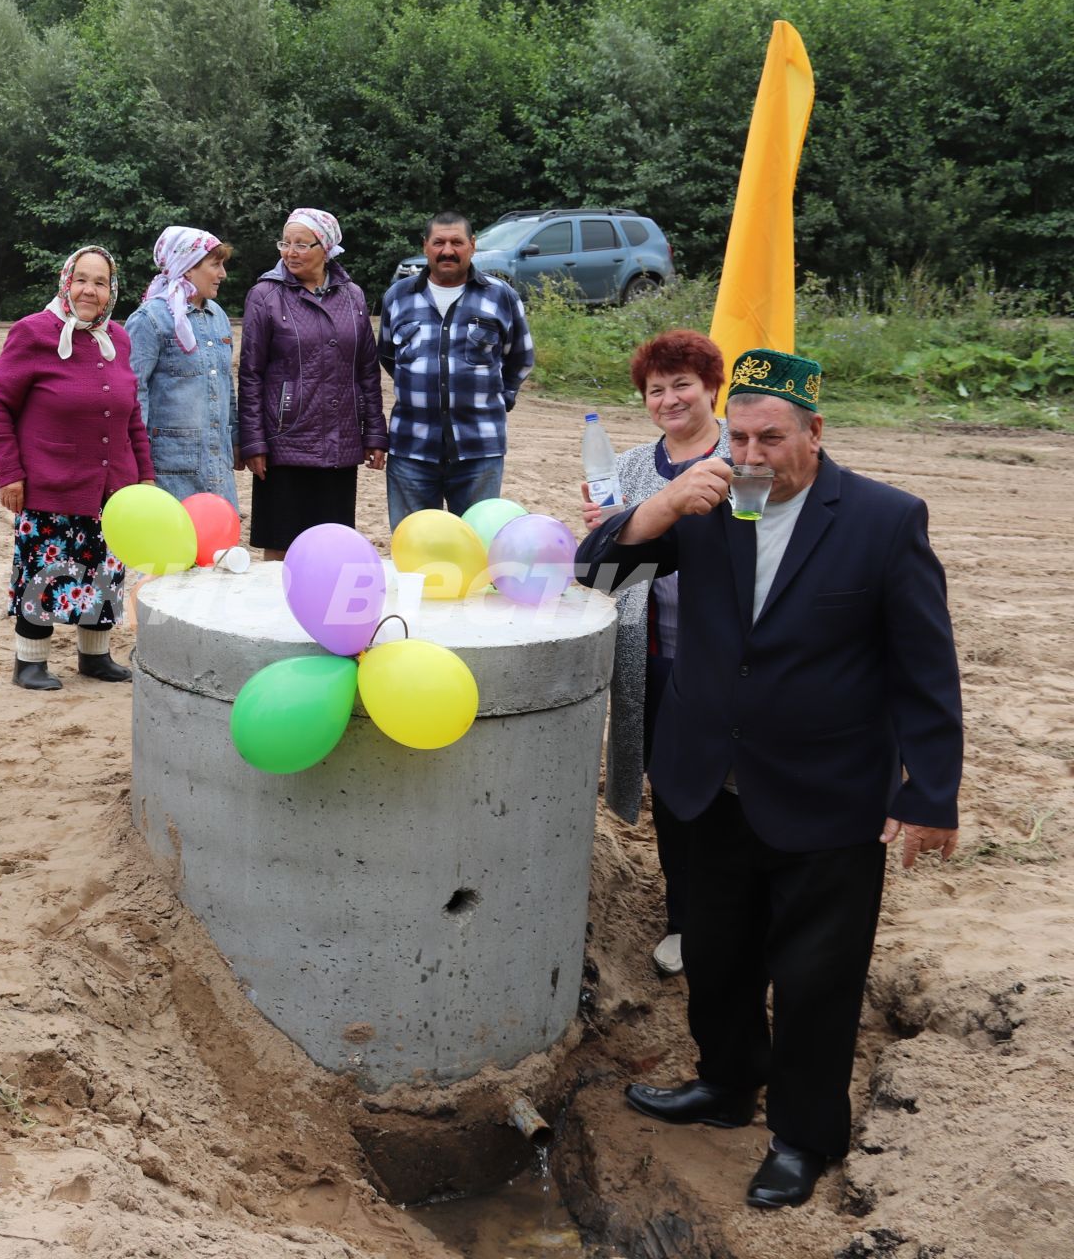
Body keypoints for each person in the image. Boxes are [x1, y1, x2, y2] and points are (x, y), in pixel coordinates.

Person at [575, 348, 962, 1210]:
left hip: (829, 790)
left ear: (815, 434)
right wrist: (661, 506)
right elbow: (595, 575)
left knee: (819, 975)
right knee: (717, 953)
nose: (749, 454)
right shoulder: (708, 505)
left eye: (771, 438)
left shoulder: (883, 520)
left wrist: (931, 794)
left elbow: (926, 669)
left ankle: (802, 1135)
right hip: (705, 776)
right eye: (739, 436)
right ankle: (724, 1085)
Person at [579, 329, 730, 979]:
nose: (669, 399)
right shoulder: (636, 466)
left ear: (711, 387)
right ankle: (686, 922)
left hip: (733, 664)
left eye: (682, 384)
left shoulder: (744, 453)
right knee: (672, 797)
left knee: (731, 796)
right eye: (655, 389)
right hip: (659, 661)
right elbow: (611, 579)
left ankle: (735, 919)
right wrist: (607, 538)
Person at [0, 245, 154, 690]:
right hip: (48, 482)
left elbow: (132, 414)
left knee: (102, 568)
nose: (89, 291)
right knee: (43, 568)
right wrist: (9, 472)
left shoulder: (118, 336)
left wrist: (145, 479)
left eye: (100, 282)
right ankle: (30, 661)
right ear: (65, 282)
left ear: (111, 289)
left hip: (112, 486)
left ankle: (95, 657)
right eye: (81, 280)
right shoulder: (33, 333)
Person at [236, 208, 384, 560]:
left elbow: (367, 370)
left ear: (327, 247)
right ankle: (274, 614)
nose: (290, 252)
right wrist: (254, 440)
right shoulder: (265, 295)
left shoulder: (353, 296)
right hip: (284, 443)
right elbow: (251, 373)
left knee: (332, 547)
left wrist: (375, 433)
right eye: (285, 243)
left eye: (302, 244)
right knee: (280, 547)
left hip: (340, 443)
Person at [377, 211, 533, 527]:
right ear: (425, 246)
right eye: (439, 242)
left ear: (472, 246)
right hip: (411, 451)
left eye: (457, 242)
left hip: (480, 451)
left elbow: (520, 356)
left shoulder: (500, 296)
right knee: (415, 550)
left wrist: (501, 399)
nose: (447, 250)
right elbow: (388, 356)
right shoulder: (398, 297)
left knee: (478, 548)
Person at [125, 226, 237, 507]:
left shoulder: (218, 317)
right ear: (187, 268)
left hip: (218, 470)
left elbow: (226, 385)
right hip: (169, 474)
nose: (222, 274)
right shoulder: (149, 319)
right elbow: (133, 396)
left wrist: (234, 438)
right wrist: (139, 465)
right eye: (215, 264)